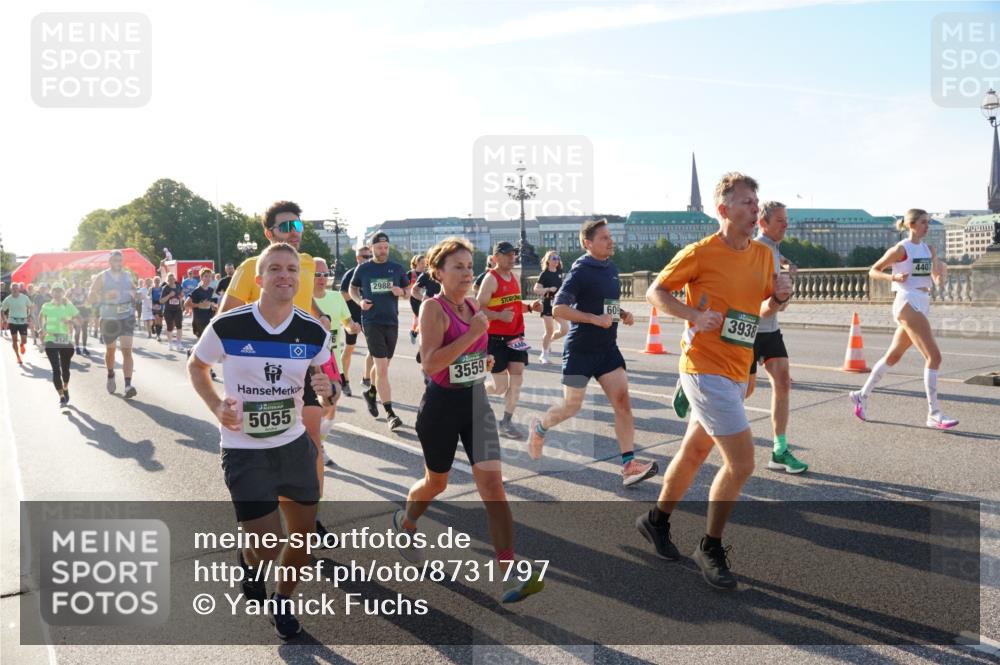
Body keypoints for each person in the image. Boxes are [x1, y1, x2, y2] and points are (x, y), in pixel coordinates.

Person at [636, 172, 792, 590]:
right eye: (745, 201)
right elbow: (655, 291)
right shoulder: (700, 252)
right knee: (742, 463)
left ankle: (656, 520)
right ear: (723, 210)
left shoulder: (762, 255)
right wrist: (693, 316)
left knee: (694, 452)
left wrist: (778, 296)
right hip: (703, 368)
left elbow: (757, 310)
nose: (754, 206)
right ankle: (709, 546)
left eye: (756, 200)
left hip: (737, 367)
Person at [188, 242, 337, 639]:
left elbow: (330, 385)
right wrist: (216, 404)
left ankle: (282, 601)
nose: (284, 275)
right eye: (275, 269)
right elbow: (197, 365)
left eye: (291, 268)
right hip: (244, 451)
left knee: (302, 538)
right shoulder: (228, 325)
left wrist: (327, 389)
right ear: (260, 278)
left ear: (299, 277)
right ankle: (250, 561)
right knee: (269, 546)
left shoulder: (310, 330)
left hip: (293, 447)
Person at [394, 236, 545, 604]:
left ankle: (510, 570)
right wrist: (475, 335)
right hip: (441, 407)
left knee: (493, 486)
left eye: (469, 266)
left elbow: (470, 358)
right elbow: (430, 363)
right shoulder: (433, 308)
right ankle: (407, 523)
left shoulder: (475, 304)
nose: (466, 272)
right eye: (457, 267)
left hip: (475, 403)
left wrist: (484, 362)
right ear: (438, 272)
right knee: (436, 484)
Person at [219, 200, 335, 538]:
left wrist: (318, 315)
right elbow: (225, 318)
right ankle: (259, 520)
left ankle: (309, 517)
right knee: (269, 445)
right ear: (268, 233)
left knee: (311, 440)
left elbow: (300, 301)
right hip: (261, 370)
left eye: (297, 226)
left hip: (303, 364)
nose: (293, 233)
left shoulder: (307, 264)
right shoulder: (251, 266)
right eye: (285, 227)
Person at [527, 220, 658, 487]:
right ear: (588, 243)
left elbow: (606, 307)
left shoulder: (611, 268)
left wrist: (622, 313)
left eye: (611, 237)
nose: (611, 241)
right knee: (570, 407)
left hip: (607, 349)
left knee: (622, 402)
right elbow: (559, 310)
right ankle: (540, 427)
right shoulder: (580, 271)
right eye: (604, 238)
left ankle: (629, 466)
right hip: (580, 350)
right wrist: (593, 319)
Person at [849, 209, 958, 429]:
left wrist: (941, 274)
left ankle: (862, 394)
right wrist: (893, 276)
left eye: (928, 222)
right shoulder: (901, 249)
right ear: (911, 225)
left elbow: (936, 281)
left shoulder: (930, 249)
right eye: (923, 222)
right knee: (934, 357)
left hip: (923, 300)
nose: (927, 226)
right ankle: (934, 413)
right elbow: (873, 270)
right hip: (907, 302)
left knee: (894, 356)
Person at [743, 202, 808, 474]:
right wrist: (779, 299)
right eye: (780, 220)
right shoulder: (755, 249)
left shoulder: (774, 249)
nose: (786, 224)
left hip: (770, 328)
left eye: (786, 219)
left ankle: (779, 450)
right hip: (747, 328)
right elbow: (760, 299)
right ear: (763, 222)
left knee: (782, 382)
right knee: (744, 391)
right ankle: (691, 389)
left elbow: (777, 302)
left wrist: (783, 292)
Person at [476, 242, 542, 438]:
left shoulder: (513, 276)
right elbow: (478, 308)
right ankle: (477, 392)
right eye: (507, 255)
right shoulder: (491, 279)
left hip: (516, 336)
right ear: (496, 258)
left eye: (514, 254)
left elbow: (512, 305)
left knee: (517, 380)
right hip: (495, 338)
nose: (512, 258)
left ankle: (505, 422)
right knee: (500, 387)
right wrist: (498, 317)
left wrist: (529, 308)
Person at [348, 232, 410, 431]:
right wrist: (360, 302)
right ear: (372, 247)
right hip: (372, 321)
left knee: (383, 365)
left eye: (386, 248)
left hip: (391, 321)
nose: (383, 251)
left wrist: (401, 292)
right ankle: (391, 414)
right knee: (382, 369)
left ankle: (371, 391)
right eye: (380, 247)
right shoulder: (364, 268)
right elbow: (352, 289)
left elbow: (409, 291)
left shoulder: (397, 268)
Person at [312, 257, 358, 465]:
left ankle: (317, 441)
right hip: (308, 365)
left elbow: (346, 322)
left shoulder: (336, 297)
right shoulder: (300, 298)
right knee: (315, 406)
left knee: (331, 406)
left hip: (332, 363)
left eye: (324, 274)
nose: (322, 279)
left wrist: (351, 327)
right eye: (316, 274)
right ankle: (312, 443)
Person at [88, 251, 138, 398]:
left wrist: (134, 295)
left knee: (127, 351)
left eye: (120, 260)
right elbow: (91, 298)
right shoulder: (101, 277)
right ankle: (110, 374)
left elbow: (133, 289)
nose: (118, 263)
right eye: (115, 260)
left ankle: (128, 386)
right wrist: (104, 295)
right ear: (110, 261)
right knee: (111, 350)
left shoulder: (127, 275)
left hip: (126, 317)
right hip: (109, 318)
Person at [339, 246, 374, 397]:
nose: (366, 259)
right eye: (363, 256)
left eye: (368, 256)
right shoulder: (351, 273)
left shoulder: (374, 272)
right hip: (351, 317)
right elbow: (342, 295)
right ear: (357, 258)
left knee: (374, 349)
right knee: (349, 348)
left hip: (370, 316)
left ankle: (366, 378)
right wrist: (357, 294)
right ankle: (344, 380)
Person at [39, 282, 80, 406]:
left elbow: (79, 320)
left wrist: (70, 321)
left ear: (63, 293)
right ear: (51, 293)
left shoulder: (69, 306)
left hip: (65, 340)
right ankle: (61, 396)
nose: (57, 293)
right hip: (50, 339)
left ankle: (65, 387)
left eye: (59, 291)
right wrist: (41, 328)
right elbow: (41, 317)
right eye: (55, 291)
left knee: (65, 370)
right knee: (56, 370)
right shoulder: (46, 306)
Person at [534, 250, 568, 364]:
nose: (556, 260)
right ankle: (544, 355)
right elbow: (536, 289)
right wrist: (548, 289)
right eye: (554, 258)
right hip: (547, 305)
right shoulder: (544, 274)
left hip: (558, 304)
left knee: (564, 329)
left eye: (558, 258)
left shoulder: (560, 271)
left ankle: (548, 342)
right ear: (548, 261)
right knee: (549, 330)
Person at [1, 282, 32, 365]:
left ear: (19, 289)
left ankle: (21, 345)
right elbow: (2, 310)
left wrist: (29, 314)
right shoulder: (8, 299)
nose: (15, 289)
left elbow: (30, 306)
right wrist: (4, 319)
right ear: (11, 289)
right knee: (14, 340)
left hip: (23, 321)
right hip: (12, 321)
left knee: (24, 341)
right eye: (13, 288)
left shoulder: (24, 297)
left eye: (16, 288)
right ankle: (18, 356)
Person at [159, 273, 185, 351]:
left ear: (174, 279)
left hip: (177, 309)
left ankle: (179, 344)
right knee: (170, 327)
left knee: (179, 326)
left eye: (172, 279)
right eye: (169, 279)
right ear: (167, 280)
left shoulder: (178, 286)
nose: (171, 280)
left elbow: (181, 296)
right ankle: (170, 343)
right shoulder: (165, 288)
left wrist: (181, 298)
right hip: (168, 310)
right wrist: (169, 295)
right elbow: (161, 301)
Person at [67, 279, 91, 355]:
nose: (77, 283)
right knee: (77, 330)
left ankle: (84, 348)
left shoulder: (84, 290)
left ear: (80, 282)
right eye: (75, 281)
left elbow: (89, 299)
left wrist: (86, 304)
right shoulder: (70, 290)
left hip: (84, 311)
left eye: (78, 281)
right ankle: (77, 347)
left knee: (85, 330)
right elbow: (65, 299)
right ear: (73, 282)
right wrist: (71, 304)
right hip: (75, 311)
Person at [407, 255, 426, 344]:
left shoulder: (426, 275)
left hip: (425, 299)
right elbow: (404, 285)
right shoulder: (410, 274)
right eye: (422, 263)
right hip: (414, 299)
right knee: (422, 318)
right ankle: (417, 334)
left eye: (425, 263)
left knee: (421, 318)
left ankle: (414, 332)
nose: (424, 265)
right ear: (417, 263)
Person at [150, 276, 163, 342]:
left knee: (160, 321)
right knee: (157, 319)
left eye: (158, 280)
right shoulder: (151, 289)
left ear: (160, 281)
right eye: (155, 281)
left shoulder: (162, 288)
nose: (157, 282)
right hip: (154, 305)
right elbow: (149, 297)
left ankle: (152, 326)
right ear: (153, 282)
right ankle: (158, 336)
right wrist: (152, 305)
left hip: (162, 305)